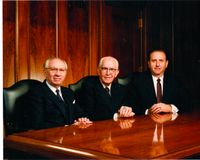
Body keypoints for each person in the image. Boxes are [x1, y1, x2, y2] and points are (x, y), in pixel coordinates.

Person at [22, 57, 92, 130]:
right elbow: (36, 124)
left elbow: (80, 113)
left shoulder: (68, 92)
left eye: (62, 70)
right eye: (53, 69)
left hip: (70, 136)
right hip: (49, 137)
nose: (58, 74)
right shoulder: (35, 93)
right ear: (45, 71)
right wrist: (67, 127)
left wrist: (83, 119)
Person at [122, 49, 191, 115]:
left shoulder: (176, 80)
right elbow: (129, 105)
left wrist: (170, 108)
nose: (157, 64)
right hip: (146, 123)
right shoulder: (137, 80)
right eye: (154, 61)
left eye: (161, 61)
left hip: (170, 123)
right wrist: (147, 111)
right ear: (148, 63)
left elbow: (188, 103)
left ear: (166, 64)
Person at [77, 56, 134, 121]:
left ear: (116, 73)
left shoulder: (120, 88)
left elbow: (126, 104)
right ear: (98, 71)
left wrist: (126, 110)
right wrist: (116, 115)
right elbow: (90, 112)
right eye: (104, 69)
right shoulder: (89, 85)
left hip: (118, 127)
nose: (108, 73)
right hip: (97, 128)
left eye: (112, 69)